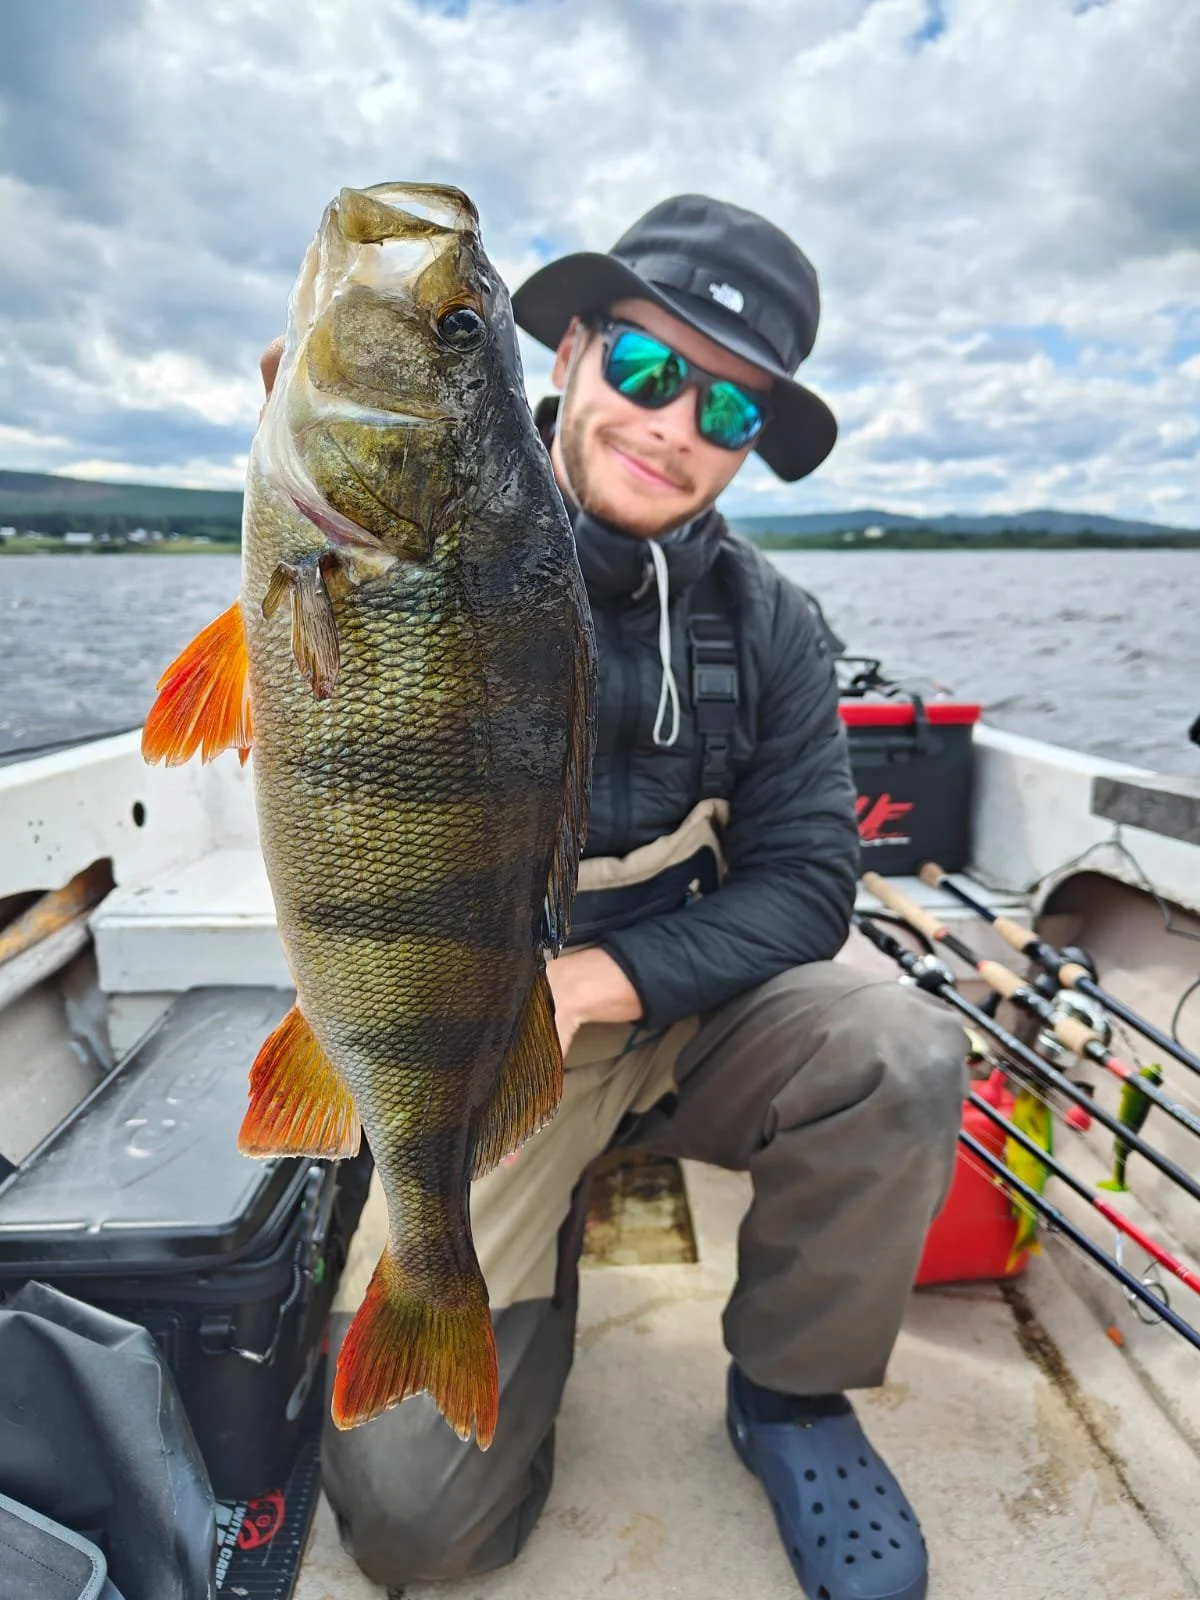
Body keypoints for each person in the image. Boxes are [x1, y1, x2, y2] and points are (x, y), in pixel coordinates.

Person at [318, 194, 967, 1600]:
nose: (675, 426)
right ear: (566, 356)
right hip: (468, 1045)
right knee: (418, 1527)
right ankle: (504, 1263)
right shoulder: (410, 552)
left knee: (900, 1046)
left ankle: (790, 1394)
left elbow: (809, 883)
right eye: (651, 371)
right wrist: (340, 459)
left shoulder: (777, 624)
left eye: (727, 411)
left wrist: (594, 986)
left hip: (672, 1016)